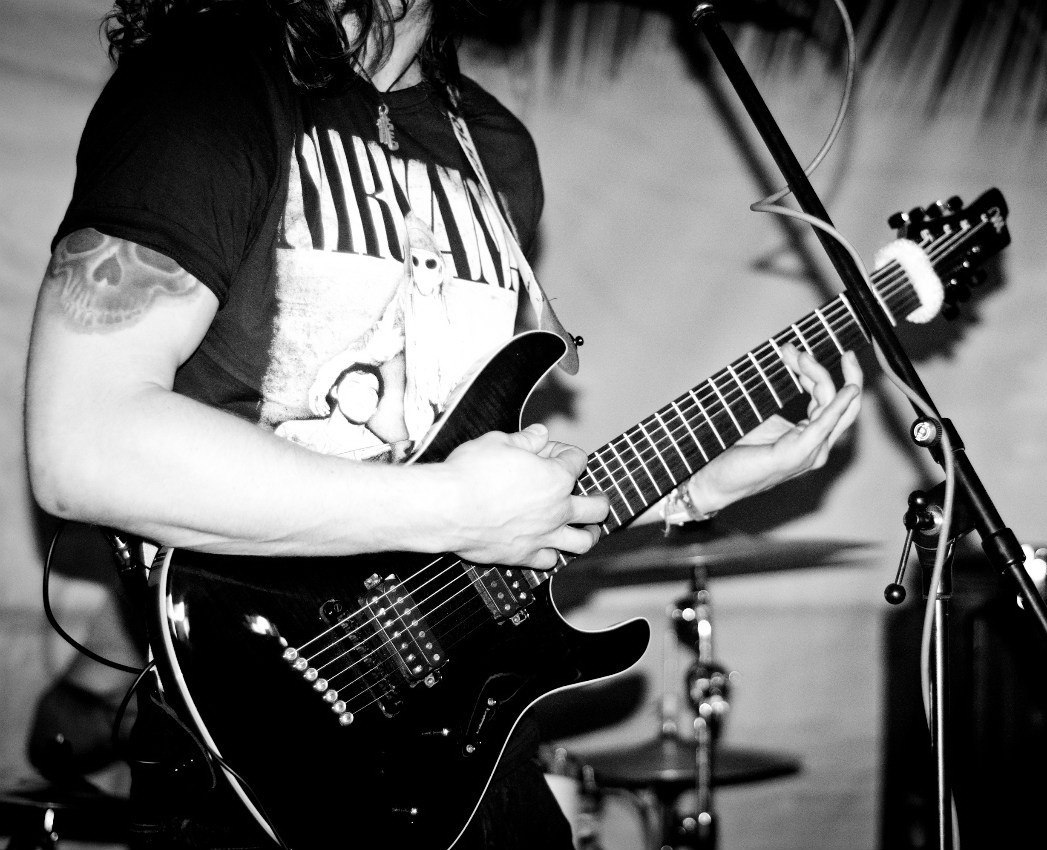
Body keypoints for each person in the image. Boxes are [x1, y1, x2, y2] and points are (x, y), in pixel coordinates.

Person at [23, 0, 863, 847]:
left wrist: (684, 486)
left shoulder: (494, 149)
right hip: (250, 749)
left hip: (463, 755)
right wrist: (456, 508)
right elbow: (85, 445)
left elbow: (463, 486)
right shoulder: (205, 86)